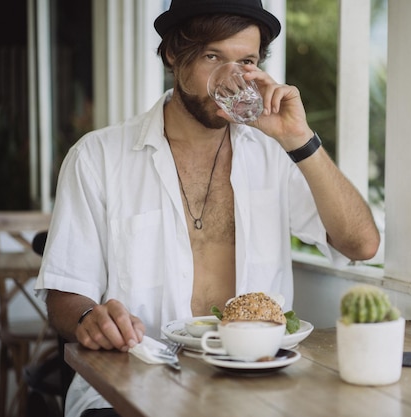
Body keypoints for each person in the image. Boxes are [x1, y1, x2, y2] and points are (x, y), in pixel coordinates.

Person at [35, 0, 380, 416]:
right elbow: (65, 292)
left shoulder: (274, 155)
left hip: (256, 387)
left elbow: (361, 245)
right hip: (133, 381)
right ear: (173, 54)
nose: (231, 78)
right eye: (213, 56)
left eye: (246, 61)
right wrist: (92, 317)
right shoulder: (98, 157)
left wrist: (299, 138)